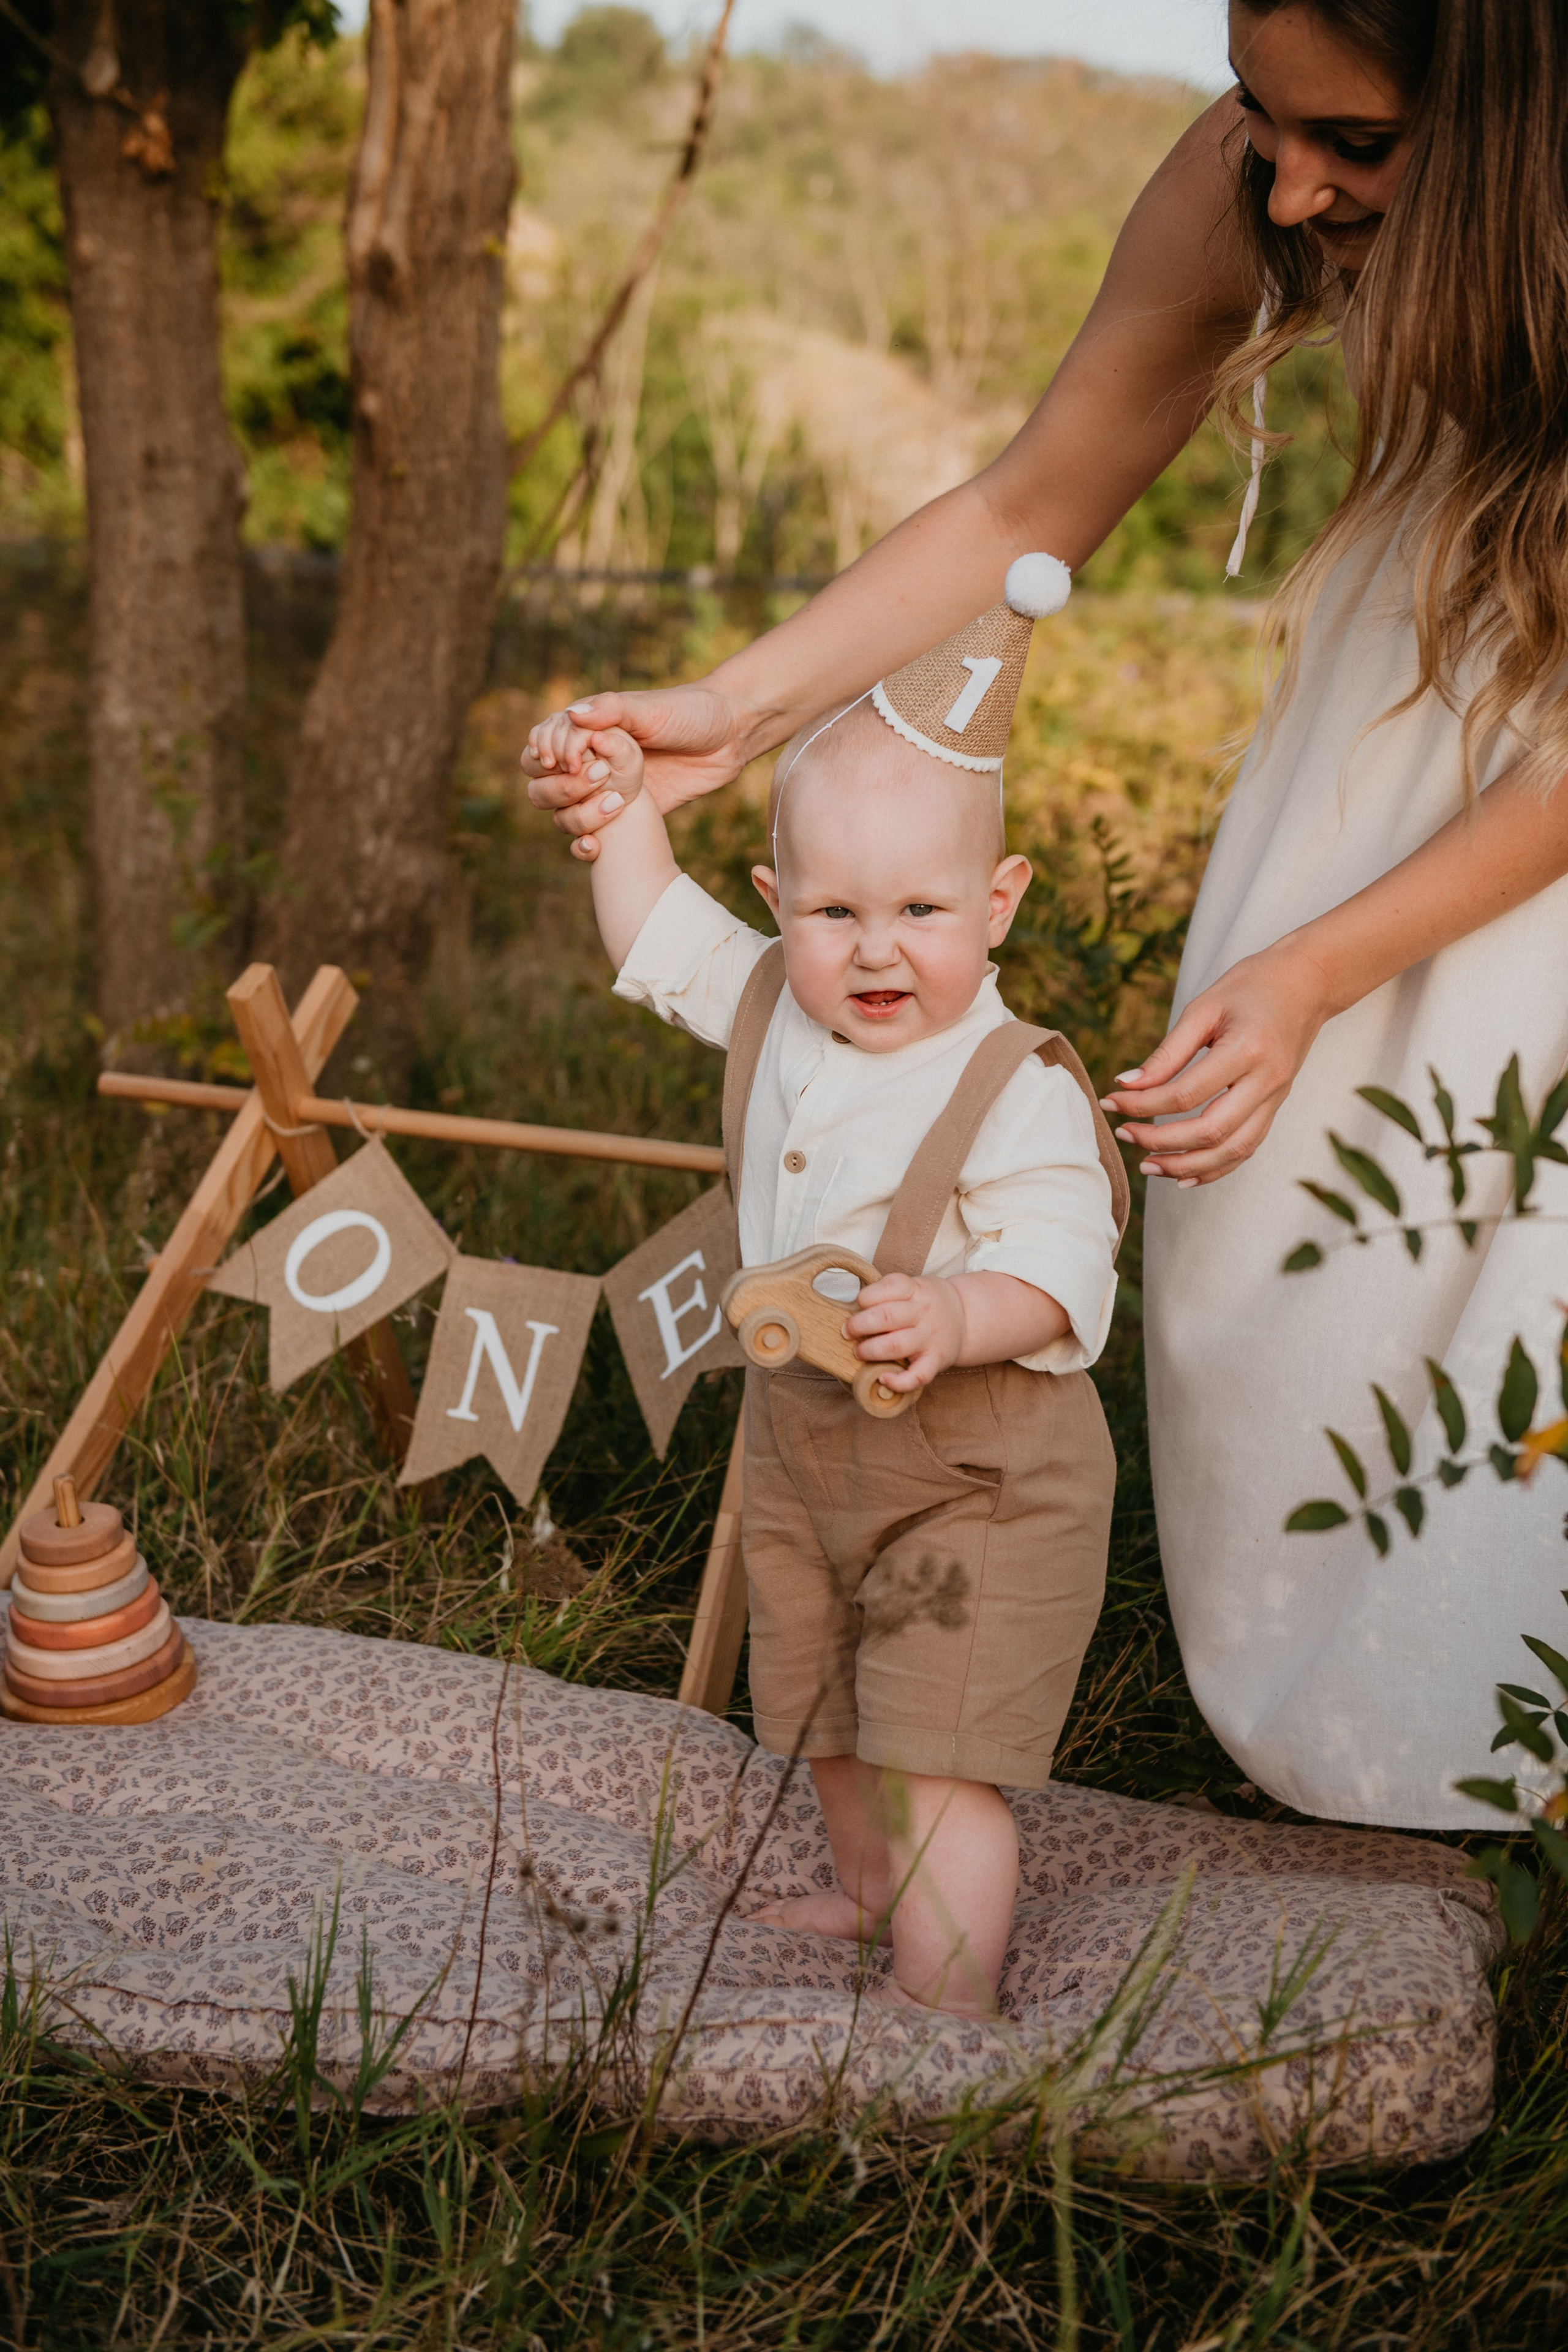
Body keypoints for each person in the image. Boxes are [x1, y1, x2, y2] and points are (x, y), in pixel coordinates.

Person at [526, 2, 1568, 1831]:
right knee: (1290, 1261)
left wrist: (1323, 971)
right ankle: (1357, 1739)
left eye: (1365, 145)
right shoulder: (1250, 180)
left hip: (1533, 793)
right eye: (1262, 107)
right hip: (1376, 751)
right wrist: (740, 708)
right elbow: (1034, 492)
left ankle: (1508, 1791)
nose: (1294, 173)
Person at [533, 562, 1125, 2012]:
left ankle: (945, 2012)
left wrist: (961, 1315)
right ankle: (868, 1893)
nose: (874, 951)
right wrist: (619, 807)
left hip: (971, 1473)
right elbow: (650, 929)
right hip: (803, 1447)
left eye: (920, 910)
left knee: (934, 1751)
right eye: (833, 912)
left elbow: (1064, 1256)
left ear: (997, 901)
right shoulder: (770, 1003)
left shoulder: (1009, 1079)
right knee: (829, 1718)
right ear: (777, 899)